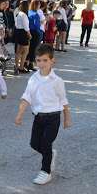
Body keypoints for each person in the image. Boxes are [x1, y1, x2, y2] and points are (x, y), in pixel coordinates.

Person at [15, 43, 71, 185]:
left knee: (46, 144)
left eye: (45, 60)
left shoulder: (57, 81)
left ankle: (46, 172)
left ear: (52, 60)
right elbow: (27, 97)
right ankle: (50, 154)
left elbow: (63, 100)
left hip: (53, 117)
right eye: (39, 60)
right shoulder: (33, 79)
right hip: (38, 117)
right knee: (34, 144)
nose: (41, 64)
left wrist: (66, 119)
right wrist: (19, 114)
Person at [14, 0, 31, 74]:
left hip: (18, 32)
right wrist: (29, 34)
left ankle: (17, 66)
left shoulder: (19, 13)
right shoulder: (23, 15)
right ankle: (21, 67)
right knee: (26, 51)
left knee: (18, 51)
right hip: (23, 32)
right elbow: (26, 26)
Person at [26, 0, 42, 71]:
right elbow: (36, 25)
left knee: (29, 48)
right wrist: (40, 23)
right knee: (33, 48)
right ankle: (31, 63)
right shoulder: (35, 14)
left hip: (29, 31)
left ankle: (26, 62)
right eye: (38, 4)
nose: (40, 5)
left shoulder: (29, 12)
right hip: (35, 31)